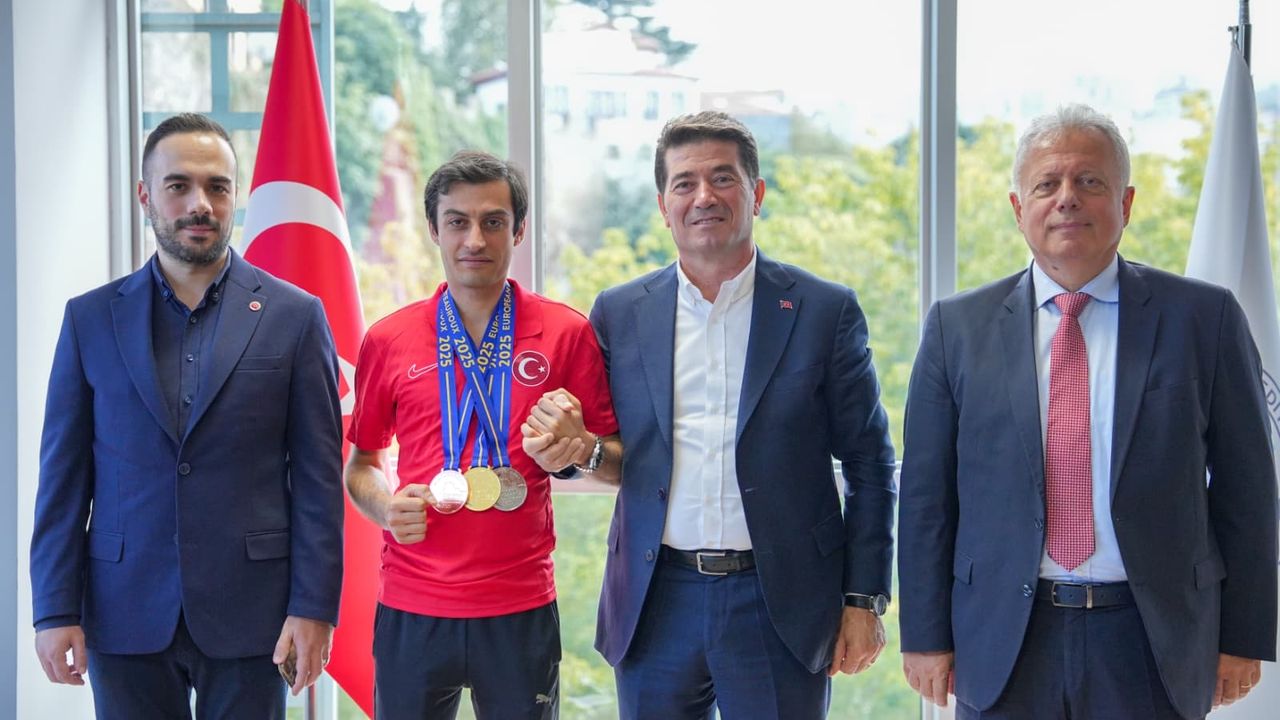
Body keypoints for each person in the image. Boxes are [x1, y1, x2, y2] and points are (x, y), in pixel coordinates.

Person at [898, 103, 1279, 720]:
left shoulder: (1203, 319)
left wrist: (1245, 636)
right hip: (1004, 638)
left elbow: (1249, 490)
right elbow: (925, 499)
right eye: (1046, 184)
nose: (1067, 198)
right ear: (1018, 208)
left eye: (1090, 181)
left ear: (1126, 203)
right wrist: (922, 634)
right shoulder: (956, 328)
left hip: (1152, 640)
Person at [567, 111, 897, 719]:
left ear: (757, 194)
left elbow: (870, 464)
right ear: (663, 206)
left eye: (723, 178)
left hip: (780, 601)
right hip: (655, 598)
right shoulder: (619, 313)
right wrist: (565, 452)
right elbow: (593, 446)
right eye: (684, 183)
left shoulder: (824, 311)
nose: (704, 197)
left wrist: (863, 598)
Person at [30, 112, 344, 719]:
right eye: (179, 185)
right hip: (122, 609)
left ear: (235, 196)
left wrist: (314, 607)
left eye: (217, 186)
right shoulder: (89, 320)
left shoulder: (296, 316)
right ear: (146, 196)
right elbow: (62, 478)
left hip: (254, 613)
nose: (200, 203)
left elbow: (318, 479)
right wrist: (53, 608)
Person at [344, 150, 618, 720]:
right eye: (457, 221)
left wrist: (583, 450)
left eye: (493, 221)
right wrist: (386, 508)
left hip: (520, 603)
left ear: (518, 229)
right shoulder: (388, 340)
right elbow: (362, 463)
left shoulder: (566, 332)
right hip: (413, 602)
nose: (475, 239)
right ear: (433, 230)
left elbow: (619, 461)